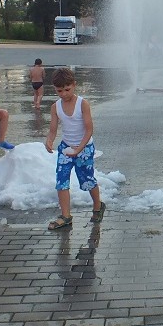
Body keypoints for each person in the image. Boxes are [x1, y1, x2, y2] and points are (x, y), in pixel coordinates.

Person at [44, 67, 104, 230]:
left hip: (84, 148)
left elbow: (89, 129)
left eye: (67, 89)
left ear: (74, 85)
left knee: (87, 181)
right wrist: (49, 140)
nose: (63, 94)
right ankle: (66, 216)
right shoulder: (56, 107)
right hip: (66, 148)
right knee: (61, 180)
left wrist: (79, 149)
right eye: (59, 90)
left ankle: (98, 206)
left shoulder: (82, 104)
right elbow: (53, 129)